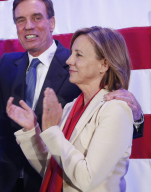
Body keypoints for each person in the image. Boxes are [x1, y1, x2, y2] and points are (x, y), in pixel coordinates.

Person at [0, 0, 144, 192]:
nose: (28, 26)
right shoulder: (6, 65)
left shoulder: (79, 68)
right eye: (20, 20)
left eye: (36, 17)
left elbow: (110, 131)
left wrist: (135, 117)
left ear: (51, 22)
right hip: (7, 182)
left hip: (57, 182)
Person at [7, 26, 133, 191]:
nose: (69, 61)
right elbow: (56, 171)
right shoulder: (70, 107)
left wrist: (52, 131)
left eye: (78, 55)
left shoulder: (115, 110)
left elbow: (87, 179)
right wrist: (32, 131)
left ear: (104, 64)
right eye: (72, 53)